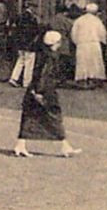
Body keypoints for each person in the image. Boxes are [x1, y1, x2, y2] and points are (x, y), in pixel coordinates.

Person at [15, 30, 81, 158]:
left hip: (36, 89)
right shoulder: (50, 57)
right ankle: (64, 146)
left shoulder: (43, 54)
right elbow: (43, 75)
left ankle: (21, 145)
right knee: (54, 116)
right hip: (45, 91)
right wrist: (39, 92)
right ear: (55, 43)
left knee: (30, 116)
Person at [71, 2, 107, 88]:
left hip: (82, 44)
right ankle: (94, 79)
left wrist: (76, 42)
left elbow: (74, 33)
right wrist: (103, 41)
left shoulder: (79, 20)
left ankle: (83, 80)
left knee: (83, 63)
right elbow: (102, 33)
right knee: (94, 63)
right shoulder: (97, 21)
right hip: (94, 43)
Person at [7, 3, 43, 87]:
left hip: (20, 43)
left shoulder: (20, 16)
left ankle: (14, 78)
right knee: (29, 63)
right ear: (31, 7)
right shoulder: (31, 18)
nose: (36, 10)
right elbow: (33, 31)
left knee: (20, 61)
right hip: (29, 43)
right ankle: (26, 82)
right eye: (35, 7)